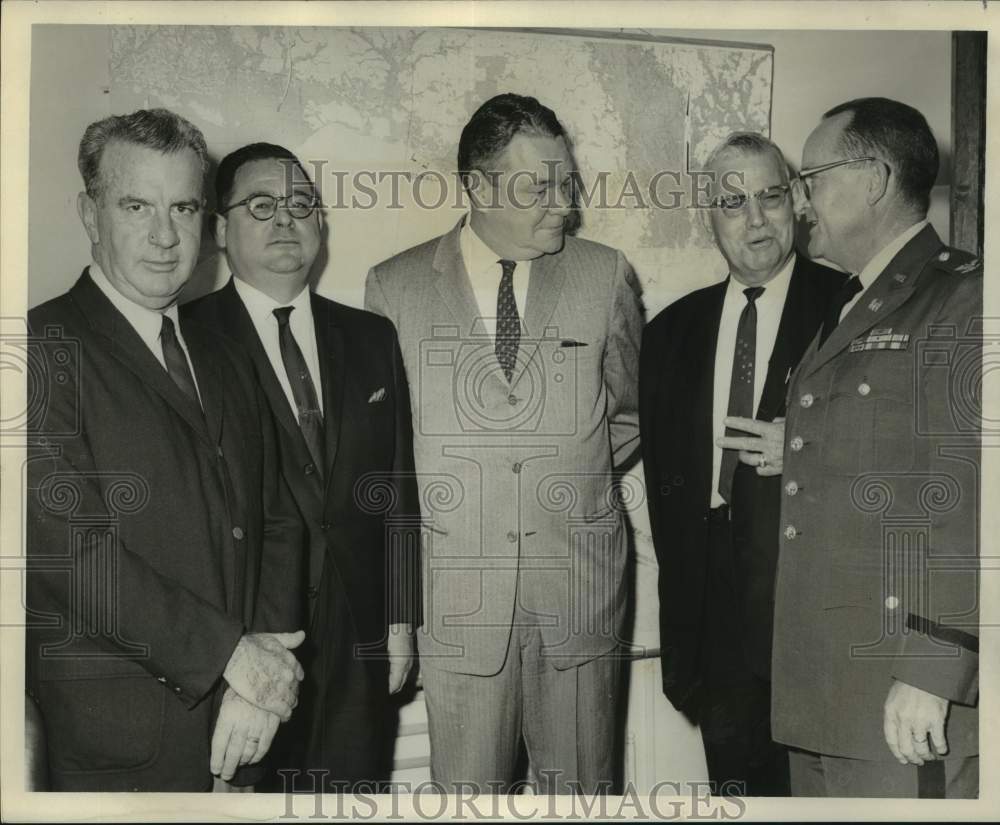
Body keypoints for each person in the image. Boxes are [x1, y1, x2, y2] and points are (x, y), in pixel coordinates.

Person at [365, 93, 643, 793]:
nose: (562, 202)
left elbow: (629, 413)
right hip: (460, 607)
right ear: (479, 187)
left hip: (579, 595)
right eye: (537, 186)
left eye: (565, 181)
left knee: (584, 796)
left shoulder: (605, 274)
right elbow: (388, 458)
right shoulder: (394, 288)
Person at [26, 109, 306, 792]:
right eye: (135, 205)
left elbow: (278, 515)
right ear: (90, 213)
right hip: (123, 748)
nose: (164, 236)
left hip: (248, 728)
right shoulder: (37, 348)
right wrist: (229, 656)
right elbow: (75, 553)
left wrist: (257, 682)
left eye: (183, 207)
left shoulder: (224, 349)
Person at [756, 98, 980, 797]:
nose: (800, 200)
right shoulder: (856, 300)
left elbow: (971, 491)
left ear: (876, 179)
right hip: (824, 685)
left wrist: (931, 667)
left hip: (900, 691)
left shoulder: (962, 300)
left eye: (812, 177)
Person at [184, 143, 421, 792]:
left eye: (301, 205)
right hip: (249, 645)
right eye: (261, 205)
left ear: (322, 224)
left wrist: (400, 622)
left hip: (358, 642)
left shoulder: (370, 337)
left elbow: (396, 489)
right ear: (219, 229)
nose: (285, 220)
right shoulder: (187, 337)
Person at [640, 133, 844, 796]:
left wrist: (811, 446)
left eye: (771, 196)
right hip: (713, 617)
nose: (755, 219)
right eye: (734, 202)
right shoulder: (669, 332)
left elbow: (912, 462)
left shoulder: (852, 308)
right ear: (711, 219)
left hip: (814, 610)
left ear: (798, 202)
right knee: (740, 794)